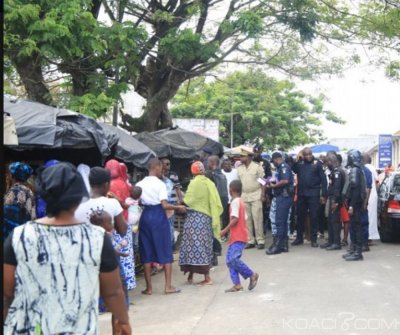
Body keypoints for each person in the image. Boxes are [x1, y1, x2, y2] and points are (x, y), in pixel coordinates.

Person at [3, 163, 131, 335]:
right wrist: (123, 321)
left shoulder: (19, 236)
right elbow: (113, 292)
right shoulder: (97, 238)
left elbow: (7, 292)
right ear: (80, 196)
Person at [135, 158, 186, 295]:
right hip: (158, 216)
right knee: (165, 249)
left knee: (146, 251)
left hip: (145, 216)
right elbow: (164, 205)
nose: (162, 170)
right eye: (161, 168)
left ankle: (149, 288)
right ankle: (168, 286)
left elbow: (138, 202)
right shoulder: (160, 184)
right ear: (156, 167)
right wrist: (178, 207)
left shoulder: (139, 184)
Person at [180, 161, 223, 285]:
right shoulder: (209, 183)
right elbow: (215, 202)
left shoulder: (194, 183)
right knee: (204, 246)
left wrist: (180, 198)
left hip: (194, 219)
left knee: (192, 246)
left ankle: (206, 278)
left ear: (192, 171)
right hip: (206, 219)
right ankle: (193, 275)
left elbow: (188, 200)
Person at [90, 209, 130, 332]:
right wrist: (121, 252)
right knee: (118, 304)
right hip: (113, 271)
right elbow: (110, 252)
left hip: (98, 274)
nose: (112, 225)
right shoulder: (104, 236)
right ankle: (117, 330)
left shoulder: (91, 235)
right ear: (102, 225)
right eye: (109, 222)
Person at [221, 180, 260, 293]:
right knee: (230, 260)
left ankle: (252, 275)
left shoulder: (235, 202)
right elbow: (245, 218)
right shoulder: (241, 202)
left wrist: (224, 230)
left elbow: (235, 219)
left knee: (233, 259)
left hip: (238, 236)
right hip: (239, 235)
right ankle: (237, 284)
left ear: (231, 190)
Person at [291, 147, 328, 248]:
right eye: (306, 155)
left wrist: (324, 194)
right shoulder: (300, 163)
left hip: (314, 193)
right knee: (300, 216)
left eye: (309, 154)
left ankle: (314, 239)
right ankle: (299, 238)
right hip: (302, 194)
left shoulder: (317, 164)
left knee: (314, 216)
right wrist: (297, 159)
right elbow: (293, 169)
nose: (308, 156)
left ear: (312, 154)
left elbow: (323, 180)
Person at [266, 152, 294, 255]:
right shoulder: (281, 168)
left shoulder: (283, 166)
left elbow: (285, 181)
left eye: (273, 161)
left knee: (279, 222)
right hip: (283, 196)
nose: (273, 163)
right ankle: (284, 245)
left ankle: (278, 246)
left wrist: (274, 186)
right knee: (283, 222)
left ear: (276, 159)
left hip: (283, 196)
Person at [237, 149, 266, 249]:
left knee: (257, 218)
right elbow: (238, 183)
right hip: (244, 195)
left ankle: (260, 240)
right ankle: (250, 240)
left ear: (249, 157)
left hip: (256, 195)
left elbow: (262, 182)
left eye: (242, 156)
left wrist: (263, 194)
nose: (240, 158)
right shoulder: (239, 168)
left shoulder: (257, 167)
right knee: (247, 219)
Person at [342, 150, 366, 261]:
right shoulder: (357, 169)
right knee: (354, 227)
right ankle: (354, 250)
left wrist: (351, 206)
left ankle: (357, 253)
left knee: (356, 227)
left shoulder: (355, 170)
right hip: (355, 203)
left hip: (355, 204)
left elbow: (355, 190)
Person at [4, 162, 36, 240]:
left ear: (12, 176)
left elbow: (8, 217)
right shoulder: (29, 191)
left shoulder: (15, 191)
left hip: (14, 236)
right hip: (26, 234)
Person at [321, 152, 346, 250]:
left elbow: (337, 188)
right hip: (332, 198)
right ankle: (331, 241)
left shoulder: (337, 172)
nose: (327, 164)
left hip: (335, 200)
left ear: (331, 161)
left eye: (327, 162)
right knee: (330, 221)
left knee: (335, 222)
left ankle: (336, 243)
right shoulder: (334, 171)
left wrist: (335, 202)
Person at [161, 157, 183, 249]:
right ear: (161, 165)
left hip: (172, 204)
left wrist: (180, 200)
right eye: (166, 164)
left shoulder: (173, 175)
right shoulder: (158, 176)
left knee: (170, 225)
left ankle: (170, 246)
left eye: (169, 164)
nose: (168, 166)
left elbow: (178, 189)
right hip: (162, 204)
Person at [363, 153, 380, 242]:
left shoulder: (366, 168)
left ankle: (368, 237)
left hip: (369, 195)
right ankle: (369, 236)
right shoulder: (373, 168)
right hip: (373, 194)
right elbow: (377, 182)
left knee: (368, 216)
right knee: (371, 216)